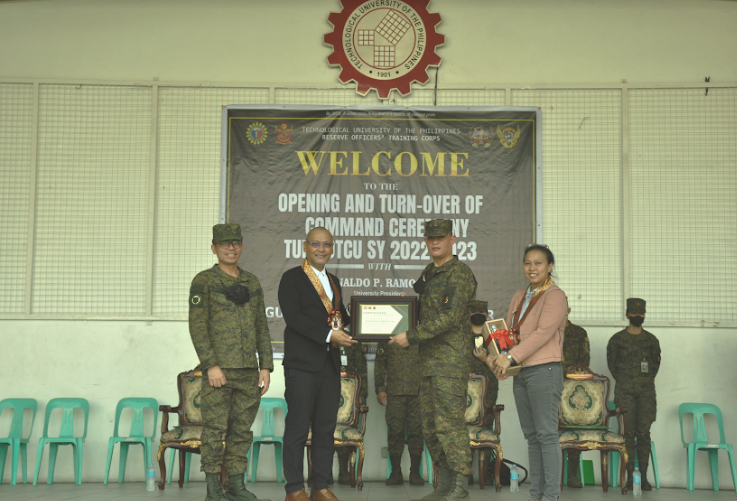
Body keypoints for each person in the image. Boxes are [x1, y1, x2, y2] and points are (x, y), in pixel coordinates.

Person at [389, 219, 477, 501]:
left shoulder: (460, 273)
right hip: (426, 363)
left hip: (449, 361)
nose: (435, 242)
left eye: (440, 237)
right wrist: (400, 313)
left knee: (450, 424)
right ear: (425, 241)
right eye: (430, 238)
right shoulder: (429, 272)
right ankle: (445, 483)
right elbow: (426, 313)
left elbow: (450, 317)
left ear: (453, 239)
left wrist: (412, 335)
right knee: (431, 425)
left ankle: (459, 487)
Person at [475, 244, 568, 501]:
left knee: (547, 435)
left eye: (538, 263)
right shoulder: (519, 295)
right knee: (533, 436)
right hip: (522, 371)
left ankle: (550, 495)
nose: (532, 268)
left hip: (545, 370)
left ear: (550, 267)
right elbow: (508, 336)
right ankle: (536, 494)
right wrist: (498, 361)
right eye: (528, 263)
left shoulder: (555, 296)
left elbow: (542, 334)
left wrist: (510, 357)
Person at [188, 223, 273, 501]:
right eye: (224, 243)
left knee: (241, 431)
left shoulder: (252, 282)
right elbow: (197, 326)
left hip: (248, 371)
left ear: (241, 246)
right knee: (214, 430)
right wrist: (210, 365)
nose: (230, 247)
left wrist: (265, 367)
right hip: (219, 371)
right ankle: (214, 489)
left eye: (235, 242)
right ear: (214, 247)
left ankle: (235, 485)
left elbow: (262, 325)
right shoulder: (204, 281)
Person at [278, 227, 356, 501]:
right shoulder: (292, 278)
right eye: (316, 244)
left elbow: (341, 316)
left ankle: (320, 486)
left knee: (325, 429)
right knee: (298, 428)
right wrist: (328, 335)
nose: (321, 249)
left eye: (326, 245)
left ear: (332, 248)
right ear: (305, 246)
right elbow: (294, 318)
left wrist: (373, 321)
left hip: (330, 365)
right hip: (302, 366)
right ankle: (294, 489)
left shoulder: (333, 280)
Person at [607, 298, 660, 491]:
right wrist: (626, 381)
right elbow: (612, 365)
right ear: (627, 314)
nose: (638, 316)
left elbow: (654, 365)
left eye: (641, 313)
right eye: (634, 313)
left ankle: (643, 478)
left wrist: (642, 381)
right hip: (625, 391)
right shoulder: (616, 340)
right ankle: (629, 479)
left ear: (644, 314)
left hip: (646, 392)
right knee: (627, 434)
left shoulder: (651, 340)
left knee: (644, 434)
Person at [374, 337, 425, 486]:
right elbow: (380, 364)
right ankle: (395, 472)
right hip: (394, 392)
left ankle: (415, 472)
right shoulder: (387, 337)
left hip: (417, 392)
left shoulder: (420, 335)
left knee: (416, 432)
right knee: (395, 432)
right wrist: (380, 389)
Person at [468, 300, 498, 486]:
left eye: (482, 312)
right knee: (465, 428)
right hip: (464, 389)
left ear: (488, 315)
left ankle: (485, 472)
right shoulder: (461, 336)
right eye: (474, 312)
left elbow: (503, 366)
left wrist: (485, 358)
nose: (478, 314)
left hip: (490, 388)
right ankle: (467, 471)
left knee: (486, 427)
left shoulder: (495, 337)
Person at [561, 307, 590, 488]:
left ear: (568, 310)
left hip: (572, 388)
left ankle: (572, 474)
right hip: (549, 385)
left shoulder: (578, 333)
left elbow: (585, 362)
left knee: (572, 431)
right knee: (550, 430)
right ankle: (552, 474)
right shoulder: (547, 331)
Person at [334, 342, 368, 485]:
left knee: (345, 429)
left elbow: (362, 370)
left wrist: (362, 393)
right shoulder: (323, 336)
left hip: (350, 395)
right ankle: (325, 473)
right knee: (325, 430)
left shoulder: (353, 342)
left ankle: (344, 471)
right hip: (327, 388)